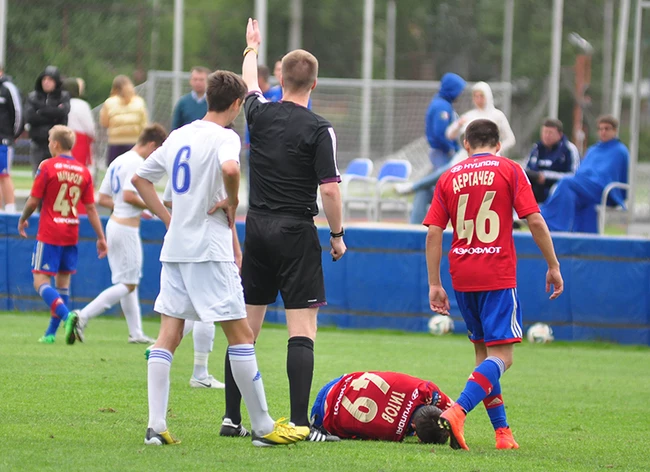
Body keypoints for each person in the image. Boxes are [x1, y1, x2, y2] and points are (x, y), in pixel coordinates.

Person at [131, 67, 309, 446]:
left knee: (167, 336)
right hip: (209, 250)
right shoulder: (225, 136)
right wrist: (233, 198)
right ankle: (263, 427)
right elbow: (230, 167)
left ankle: (156, 426)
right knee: (242, 335)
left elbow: (140, 179)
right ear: (237, 103)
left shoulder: (179, 135)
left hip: (175, 250)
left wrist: (168, 219)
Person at [219, 19, 346, 443]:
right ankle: (299, 423)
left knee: (245, 330)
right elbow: (330, 190)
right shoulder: (319, 129)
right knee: (302, 329)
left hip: (257, 228)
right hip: (295, 231)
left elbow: (248, 83)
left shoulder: (259, 113)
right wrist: (337, 235)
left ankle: (231, 419)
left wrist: (250, 47)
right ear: (315, 83)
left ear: (281, 79)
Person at [424, 119, 564, 451]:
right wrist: (553, 265)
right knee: (503, 357)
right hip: (496, 272)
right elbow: (534, 219)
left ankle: (503, 434)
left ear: (466, 144)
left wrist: (434, 283)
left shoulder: (449, 177)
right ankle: (458, 411)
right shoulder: (510, 170)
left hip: (462, 274)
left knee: (484, 357)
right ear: (498, 144)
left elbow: (433, 232)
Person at [74, 124, 168, 344]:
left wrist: (135, 208)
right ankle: (82, 315)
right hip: (126, 229)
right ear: (152, 145)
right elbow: (128, 195)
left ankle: (136, 332)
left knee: (128, 281)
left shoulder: (119, 160)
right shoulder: (136, 162)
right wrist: (150, 206)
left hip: (115, 225)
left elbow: (104, 198)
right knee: (128, 284)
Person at [18, 125, 107, 344]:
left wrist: (22, 218)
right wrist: (101, 237)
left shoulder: (47, 166)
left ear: (56, 144)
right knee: (63, 284)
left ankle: (68, 317)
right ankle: (51, 334)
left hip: (50, 232)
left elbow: (33, 200)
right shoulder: (83, 171)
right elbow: (91, 208)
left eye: (50, 140)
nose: (49, 143)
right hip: (71, 231)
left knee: (40, 282)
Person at [394, 73, 465, 224]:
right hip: (442, 153)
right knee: (440, 184)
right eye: (458, 90)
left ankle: (415, 222)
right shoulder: (441, 106)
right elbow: (440, 133)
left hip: (441, 152)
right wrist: (451, 149)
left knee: (428, 188)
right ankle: (415, 192)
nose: (460, 94)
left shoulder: (442, 104)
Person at [541, 115, 629, 233]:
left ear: (615, 130)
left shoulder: (620, 151)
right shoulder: (593, 150)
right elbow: (581, 171)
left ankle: (551, 224)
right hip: (586, 189)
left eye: (607, 129)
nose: (603, 132)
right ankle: (582, 238)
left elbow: (610, 175)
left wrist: (589, 180)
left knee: (566, 182)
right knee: (571, 195)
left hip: (603, 190)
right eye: (600, 129)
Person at [310, 371, 453, 444]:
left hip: (338, 382)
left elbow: (454, 407)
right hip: (323, 416)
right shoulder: (394, 434)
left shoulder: (425, 389)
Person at [24, 65, 70, 176]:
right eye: (44, 79)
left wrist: (41, 111)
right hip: (38, 143)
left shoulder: (63, 96)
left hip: (57, 145)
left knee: (56, 176)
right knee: (39, 176)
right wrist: (53, 115)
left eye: (50, 80)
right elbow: (30, 117)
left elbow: (62, 113)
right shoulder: (33, 97)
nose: (46, 82)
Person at [524, 118, 580, 203]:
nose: (547, 136)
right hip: (535, 189)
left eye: (550, 133)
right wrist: (535, 176)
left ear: (560, 134)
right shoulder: (536, 148)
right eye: (544, 132)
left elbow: (573, 175)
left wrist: (545, 176)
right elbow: (525, 169)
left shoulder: (569, 149)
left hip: (558, 190)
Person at [100, 75, 148, 166]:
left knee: (114, 169)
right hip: (134, 143)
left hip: (115, 143)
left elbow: (104, 123)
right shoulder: (139, 102)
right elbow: (143, 124)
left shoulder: (109, 102)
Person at [0, 64, 23, 213]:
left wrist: (13, 135)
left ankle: (10, 209)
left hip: (3, 140)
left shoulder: (8, 88)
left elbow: (18, 113)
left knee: (4, 174)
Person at [61, 77, 95, 169]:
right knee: (79, 168)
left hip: (63, 138)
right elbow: (90, 127)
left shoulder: (60, 103)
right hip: (79, 140)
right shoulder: (82, 105)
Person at [171, 66, 210, 130]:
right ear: (190, 81)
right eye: (195, 79)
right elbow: (175, 127)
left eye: (201, 80)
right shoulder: (183, 102)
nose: (198, 82)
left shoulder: (213, 103)